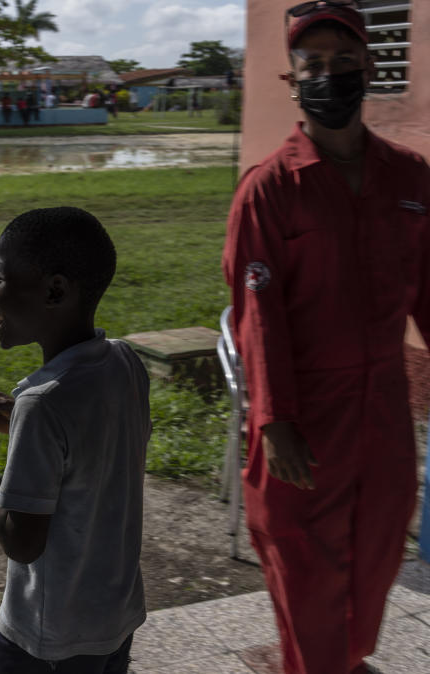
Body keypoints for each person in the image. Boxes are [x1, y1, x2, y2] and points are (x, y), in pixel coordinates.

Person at [222, 3, 430, 673]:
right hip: (303, 418)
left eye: (344, 62)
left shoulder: (410, 178)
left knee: (376, 557)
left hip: (385, 414)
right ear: (291, 79)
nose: (330, 77)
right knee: (307, 570)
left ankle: (338, 659)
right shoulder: (269, 191)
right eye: (313, 65)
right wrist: (274, 420)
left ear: (369, 67)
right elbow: (259, 314)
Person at [0, 207, 151, 674]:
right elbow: (86, 444)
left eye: (0, 277)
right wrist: (3, 417)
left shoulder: (43, 404)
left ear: (55, 290)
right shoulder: (124, 364)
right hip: (113, 618)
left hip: (46, 637)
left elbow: (22, 541)